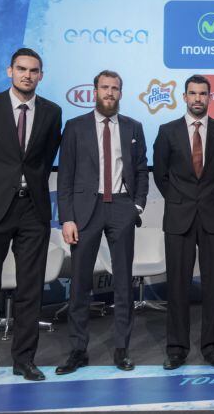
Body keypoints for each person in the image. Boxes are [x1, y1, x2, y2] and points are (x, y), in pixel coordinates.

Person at [0, 48, 62, 389]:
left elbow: (45, 159)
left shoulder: (51, 112)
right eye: (21, 69)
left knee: (30, 291)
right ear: (10, 71)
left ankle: (24, 360)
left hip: (32, 210)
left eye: (34, 70)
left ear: (41, 75)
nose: (27, 75)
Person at [56, 70, 149, 374]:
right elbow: (65, 176)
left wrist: (136, 206)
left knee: (123, 283)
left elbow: (140, 171)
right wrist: (67, 217)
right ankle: (78, 350)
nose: (110, 93)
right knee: (81, 283)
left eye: (115, 88)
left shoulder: (134, 127)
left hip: (121, 207)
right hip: (86, 209)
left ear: (121, 93)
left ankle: (121, 349)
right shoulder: (74, 127)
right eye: (105, 87)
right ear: (94, 90)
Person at [153, 75, 214, 370]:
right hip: (178, 217)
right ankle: (176, 348)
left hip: (213, 217)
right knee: (177, 286)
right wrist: (179, 200)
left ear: (210, 97)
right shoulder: (167, 131)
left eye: (203, 93)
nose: (198, 98)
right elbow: (160, 175)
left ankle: (213, 347)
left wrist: (207, 198)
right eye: (192, 93)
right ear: (184, 97)